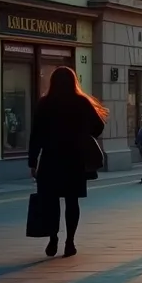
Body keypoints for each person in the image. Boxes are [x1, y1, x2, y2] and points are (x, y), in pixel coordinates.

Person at [29, 67, 107, 257]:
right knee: (72, 202)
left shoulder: (45, 103)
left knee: (51, 202)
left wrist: (32, 162)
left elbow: (36, 135)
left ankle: (53, 239)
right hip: (74, 159)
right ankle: (70, 242)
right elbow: (98, 127)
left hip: (50, 159)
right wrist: (82, 133)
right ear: (74, 81)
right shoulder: (81, 102)